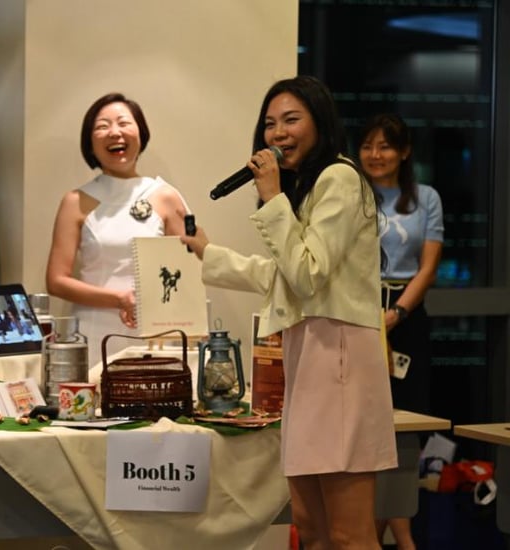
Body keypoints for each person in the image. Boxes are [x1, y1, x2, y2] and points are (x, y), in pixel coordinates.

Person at [181, 75, 397, 549]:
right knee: (311, 528)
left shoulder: (339, 178)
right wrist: (209, 254)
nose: (277, 133)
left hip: (338, 356)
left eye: (291, 120)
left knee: (349, 534)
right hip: (310, 354)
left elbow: (305, 273)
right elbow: (286, 277)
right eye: (269, 124)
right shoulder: (309, 188)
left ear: (320, 123)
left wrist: (272, 198)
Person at [45, 92, 191, 362]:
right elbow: (56, 281)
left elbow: (187, 274)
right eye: (102, 126)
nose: (115, 132)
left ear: (141, 134)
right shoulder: (75, 201)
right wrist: (119, 299)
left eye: (124, 123)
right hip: (93, 329)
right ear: (90, 144)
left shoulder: (166, 196)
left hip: (155, 330)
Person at [359, 113, 444, 550]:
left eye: (386, 146)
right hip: (358, 312)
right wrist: (372, 315)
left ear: (404, 152)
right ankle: (394, 536)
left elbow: (428, 268)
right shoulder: (354, 194)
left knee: (405, 423)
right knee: (366, 424)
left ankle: (391, 531)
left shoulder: (426, 197)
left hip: (406, 316)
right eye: (367, 145)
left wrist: (397, 314)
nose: (375, 155)